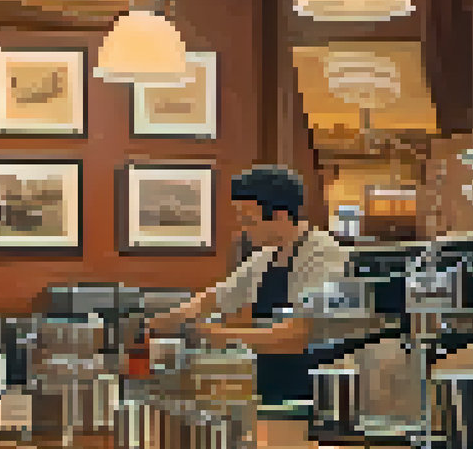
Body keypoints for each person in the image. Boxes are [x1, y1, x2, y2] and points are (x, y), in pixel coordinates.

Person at [147, 166, 359, 405]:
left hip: (315, 395)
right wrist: (151, 325)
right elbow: (212, 300)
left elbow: (299, 335)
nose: (243, 227)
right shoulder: (265, 258)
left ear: (280, 216)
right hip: (273, 387)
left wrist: (218, 335)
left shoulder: (325, 256)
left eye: (249, 219)